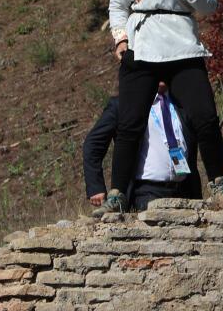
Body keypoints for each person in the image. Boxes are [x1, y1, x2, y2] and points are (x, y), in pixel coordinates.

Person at [104, 0, 223, 213]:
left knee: (205, 118)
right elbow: (118, 5)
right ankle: (118, 191)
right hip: (142, 45)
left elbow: (209, 6)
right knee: (130, 122)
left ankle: (218, 180)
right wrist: (120, 40)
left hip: (182, 44)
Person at [83, 82, 203, 213]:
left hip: (185, 191)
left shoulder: (182, 103)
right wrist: (96, 186)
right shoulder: (124, 104)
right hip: (145, 193)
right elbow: (93, 144)